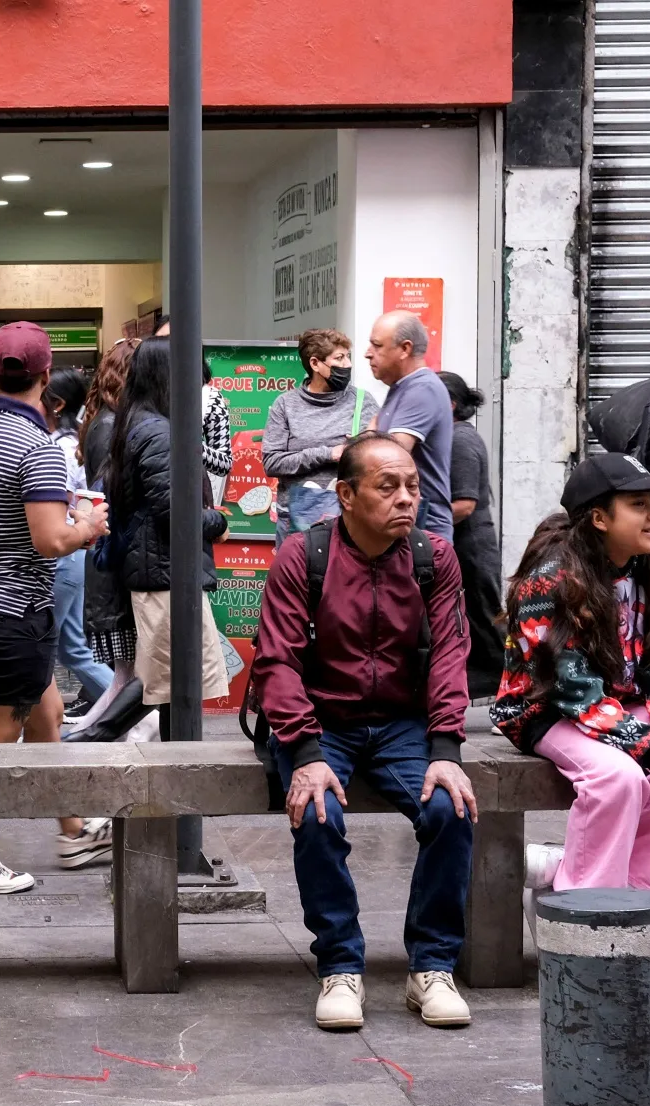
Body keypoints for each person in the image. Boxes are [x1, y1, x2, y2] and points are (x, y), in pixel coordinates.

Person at [251, 434, 476, 1030]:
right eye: (388, 486)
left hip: (402, 724)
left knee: (450, 809)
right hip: (320, 721)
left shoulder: (434, 557)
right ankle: (340, 966)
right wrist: (304, 751)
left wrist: (446, 746)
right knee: (317, 811)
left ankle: (432, 967)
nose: (406, 499)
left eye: (413, 486)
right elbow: (276, 660)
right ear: (346, 495)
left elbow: (451, 652)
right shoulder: (303, 555)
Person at [493, 454, 650, 896]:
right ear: (599, 518)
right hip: (545, 710)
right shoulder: (549, 581)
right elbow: (570, 689)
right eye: (639, 504)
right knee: (619, 778)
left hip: (618, 702)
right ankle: (583, 903)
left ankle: (627, 890)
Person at [0, 324, 112, 894]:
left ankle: (74, 828)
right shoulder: (37, 448)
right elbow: (50, 540)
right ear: (45, 378)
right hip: (14, 614)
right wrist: (88, 525)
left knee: (47, 713)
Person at [103, 337, 232, 720]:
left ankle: (106, 731)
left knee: (168, 685)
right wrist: (217, 521)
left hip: (156, 570)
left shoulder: (137, 422)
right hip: (165, 574)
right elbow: (176, 515)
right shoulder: (160, 432)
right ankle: (99, 731)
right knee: (171, 684)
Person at [65, 338, 146, 738]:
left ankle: (85, 735)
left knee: (127, 674)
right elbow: (113, 497)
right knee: (131, 676)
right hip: (113, 559)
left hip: (105, 557)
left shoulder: (102, 421)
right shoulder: (115, 428)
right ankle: (89, 738)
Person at [263, 329, 376, 543]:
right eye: (339, 358)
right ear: (315, 363)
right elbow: (272, 463)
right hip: (296, 521)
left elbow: (374, 459)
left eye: (348, 357)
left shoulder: (362, 402)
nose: (347, 365)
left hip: (349, 520)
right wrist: (328, 454)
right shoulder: (285, 405)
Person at [43, 367, 113, 710]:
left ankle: (33, 721)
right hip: (75, 554)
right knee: (71, 648)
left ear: (57, 404)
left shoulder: (61, 449)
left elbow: (68, 504)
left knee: (41, 643)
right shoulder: (75, 443)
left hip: (64, 554)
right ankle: (132, 712)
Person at [438, 372, 504, 697]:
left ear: (449, 404)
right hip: (464, 546)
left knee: (484, 620)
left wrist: (422, 523)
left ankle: (510, 690)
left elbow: (464, 504)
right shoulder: (452, 436)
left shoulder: (460, 439)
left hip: (472, 549)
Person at [365, 311, 454, 541]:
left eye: (377, 345)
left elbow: (386, 458)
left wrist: (361, 443)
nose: (368, 353)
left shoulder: (422, 389)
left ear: (405, 349)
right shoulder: (401, 387)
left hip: (422, 532)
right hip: (402, 526)